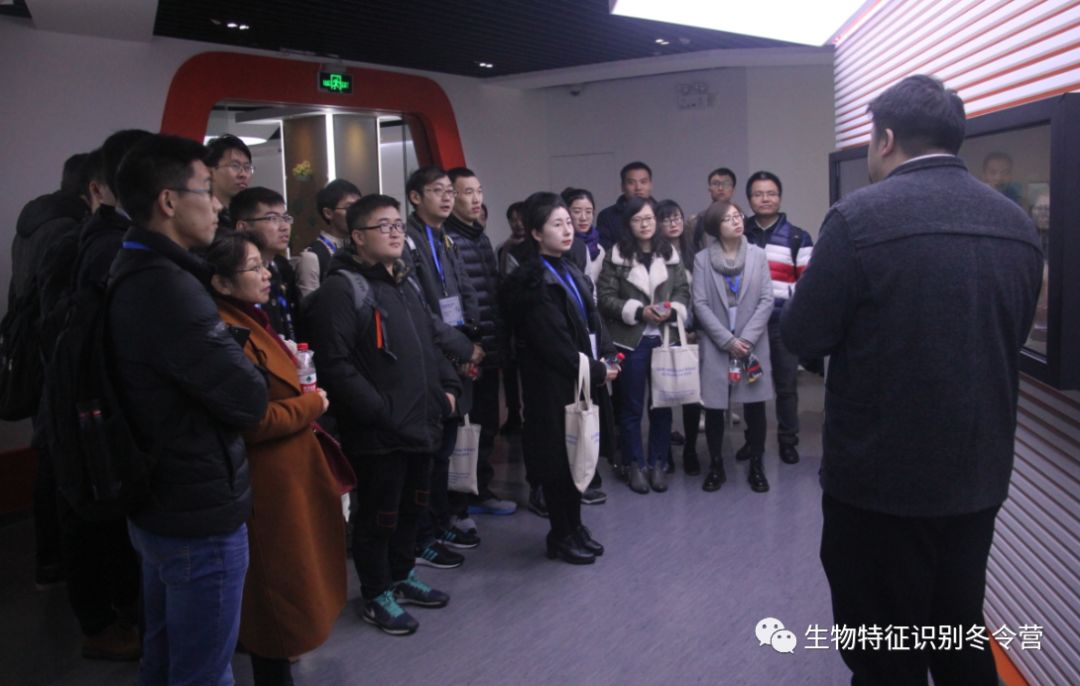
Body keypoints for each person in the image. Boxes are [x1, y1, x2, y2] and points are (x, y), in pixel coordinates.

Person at [781, 75, 1043, 685]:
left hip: (880, 484)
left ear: (886, 139)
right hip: (977, 475)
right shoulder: (1017, 225)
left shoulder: (857, 219)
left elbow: (803, 335)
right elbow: (1013, 330)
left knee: (883, 651)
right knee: (958, 629)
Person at [108, 134, 269, 685]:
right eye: (207, 190)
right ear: (169, 201)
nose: (219, 204)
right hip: (195, 509)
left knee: (164, 657)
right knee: (203, 671)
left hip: (162, 498)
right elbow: (249, 399)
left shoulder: (135, 264)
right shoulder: (169, 288)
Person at [303, 194, 458, 635]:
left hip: (421, 422)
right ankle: (376, 593)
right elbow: (335, 365)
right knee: (378, 515)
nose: (395, 233)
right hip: (379, 431)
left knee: (412, 508)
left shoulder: (405, 283)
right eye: (383, 226)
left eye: (398, 225)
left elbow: (430, 343)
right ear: (357, 236)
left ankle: (402, 575)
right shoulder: (342, 289)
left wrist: (449, 389)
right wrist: (381, 411)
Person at [206, 231, 346, 684]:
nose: (266, 274)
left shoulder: (252, 318)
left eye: (264, 265)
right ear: (221, 282)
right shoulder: (225, 331)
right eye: (253, 268)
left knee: (291, 588)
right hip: (267, 480)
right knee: (275, 596)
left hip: (289, 473)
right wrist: (311, 405)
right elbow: (251, 420)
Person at [500, 192, 617, 564]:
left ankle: (575, 526)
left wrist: (607, 354)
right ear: (536, 233)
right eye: (557, 224)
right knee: (558, 460)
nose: (568, 230)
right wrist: (597, 370)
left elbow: (592, 318)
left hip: (578, 377)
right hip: (551, 384)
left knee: (578, 455)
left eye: (569, 223)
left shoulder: (568, 268)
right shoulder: (532, 281)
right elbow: (554, 344)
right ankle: (560, 534)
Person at [11, 152, 89, 592]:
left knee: (49, 455)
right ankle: (57, 562)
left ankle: (51, 560)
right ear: (94, 187)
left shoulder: (33, 222)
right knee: (60, 461)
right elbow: (59, 307)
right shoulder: (67, 230)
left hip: (33, 353)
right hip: (53, 358)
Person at [401, 166, 484, 567]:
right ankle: (423, 536)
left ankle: (440, 521)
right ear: (415, 197)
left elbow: (465, 290)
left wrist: (473, 341)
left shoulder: (444, 237)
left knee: (445, 448)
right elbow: (419, 308)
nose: (448, 197)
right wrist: (460, 348)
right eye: (438, 191)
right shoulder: (408, 241)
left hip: (457, 350)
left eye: (450, 190)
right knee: (430, 453)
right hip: (432, 355)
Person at [596, 197, 690, 494]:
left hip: (664, 338)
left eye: (649, 218)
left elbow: (683, 291)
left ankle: (658, 463)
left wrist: (670, 309)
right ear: (628, 224)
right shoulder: (616, 255)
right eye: (637, 219)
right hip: (630, 341)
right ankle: (634, 464)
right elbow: (605, 297)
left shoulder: (670, 253)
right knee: (630, 407)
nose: (645, 224)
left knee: (661, 405)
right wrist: (638, 311)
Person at [444, 167, 517, 516]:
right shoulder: (447, 240)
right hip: (467, 351)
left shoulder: (480, 237)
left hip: (489, 345)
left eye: (479, 191)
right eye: (467, 192)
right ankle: (462, 497)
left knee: (487, 423)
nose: (476, 199)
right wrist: (463, 349)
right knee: (466, 426)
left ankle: (479, 490)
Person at [692, 201, 775, 492]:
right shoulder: (702, 259)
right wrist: (727, 341)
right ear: (715, 227)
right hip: (718, 343)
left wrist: (746, 339)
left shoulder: (758, 255)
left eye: (738, 216)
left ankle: (757, 465)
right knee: (715, 406)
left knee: (755, 406)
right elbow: (700, 304)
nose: (737, 221)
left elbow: (766, 300)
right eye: (728, 219)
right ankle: (716, 466)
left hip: (752, 342)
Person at [743, 170, 811, 466]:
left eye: (770, 193)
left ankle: (788, 441)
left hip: (783, 323)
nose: (765, 199)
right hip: (748, 326)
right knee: (751, 385)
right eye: (758, 194)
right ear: (749, 199)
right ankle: (752, 441)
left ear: (779, 198)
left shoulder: (798, 236)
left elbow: (807, 283)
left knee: (786, 386)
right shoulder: (739, 234)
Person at [657, 199, 702, 476]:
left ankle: (691, 450)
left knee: (691, 395)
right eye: (666, 219)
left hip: (692, 332)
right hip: (663, 332)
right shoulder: (655, 256)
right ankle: (663, 452)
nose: (673, 223)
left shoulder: (694, 254)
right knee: (662, 393)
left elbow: (700, 296)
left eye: (677, 217)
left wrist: (694, 328)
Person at [232, 187, 302, 342]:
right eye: (272, 218)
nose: (284, 226)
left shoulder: (282, 267)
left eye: (285, 218)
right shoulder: (235, 272)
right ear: (243, 227)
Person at [295, 178, 361, 297]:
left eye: (359, 207)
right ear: (328, 213)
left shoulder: (361, 248)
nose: (357, 213)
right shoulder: (312, 257)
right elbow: (310, 305)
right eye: (350, 208)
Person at [496, 201, 526, 437]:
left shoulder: (535, 247)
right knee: (508, 368)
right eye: (513, 219)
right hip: (506, 316)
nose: (517, 223)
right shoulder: (503, 249)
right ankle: (513, 413)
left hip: (527, 317)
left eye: (521, 218)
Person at [596, 161, 654, 251]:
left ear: (651, 185)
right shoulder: (607, 216)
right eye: (631, 183)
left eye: (643, 182)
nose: (638, 187)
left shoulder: (661, 212)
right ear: (622, 186)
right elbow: (605, 251)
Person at [205, 134, 254, 232]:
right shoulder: (201, 216)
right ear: (210, 172)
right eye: (235, 166)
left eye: (247, 167)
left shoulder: (251, 215)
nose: (243, 174)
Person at [562, 187, 604, 284]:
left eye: (588, 212)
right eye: (577, 212)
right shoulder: (561, 246)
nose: (583, 218)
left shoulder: (600, 250)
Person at [688, 167, 737, 249]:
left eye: (725, 184)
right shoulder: (696, 221)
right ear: (709, 189)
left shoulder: (741, 219)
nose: (720, 188)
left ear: (733, 190)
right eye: (715, 184)